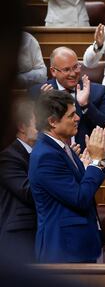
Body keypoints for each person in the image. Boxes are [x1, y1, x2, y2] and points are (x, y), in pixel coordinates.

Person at [29, 90, 105, 263]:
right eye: (71, 115)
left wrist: (102, 155)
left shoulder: (61, 147)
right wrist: (97, 160)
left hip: (76, 246)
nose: (78, 118)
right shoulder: (46, 156)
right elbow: (80, 197)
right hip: (63, 250)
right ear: (53, 122)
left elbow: (85, 184)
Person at [29, 47, 105, 150]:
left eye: (75, 67)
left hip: (88, 154)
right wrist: (44, 105)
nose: (73, 73)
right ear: (53, 71)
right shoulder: (37, 93)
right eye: (66, 69)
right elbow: (31, 131)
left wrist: (86, 105)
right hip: (52, 155)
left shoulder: (98, 91)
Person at [0, 99, 37, 262]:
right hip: (19, 234)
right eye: (39, 124)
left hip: (37, 231)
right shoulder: (8, 157)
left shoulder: (36, 153)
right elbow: (28, 191)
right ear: (22, 127)